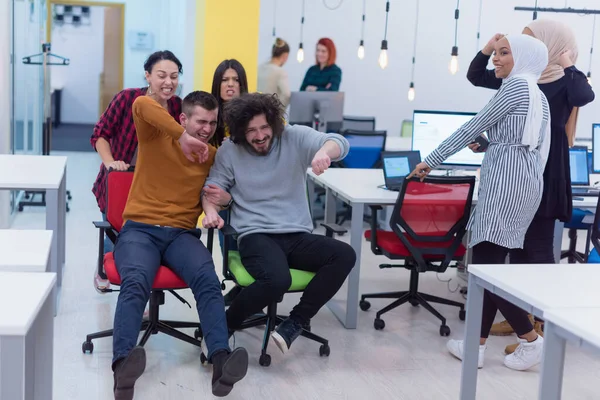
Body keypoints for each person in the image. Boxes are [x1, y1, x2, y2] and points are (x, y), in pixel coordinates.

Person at [408, 34, 551, 371]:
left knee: (485, 270)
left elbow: (473, 125)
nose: (495, 60)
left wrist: (432, 158)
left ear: (526, 58)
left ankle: (531, 340)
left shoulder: (515, 88)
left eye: (504, 54)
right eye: (496, 53)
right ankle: (477, 346)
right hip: (524, 181)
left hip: (506, 183)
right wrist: (491, 145)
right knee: (489, 266)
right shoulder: (537, 93)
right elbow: (523, 141)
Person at [466, 20, 595, 353]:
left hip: (547, 168)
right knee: (510, 252)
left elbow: (585, 94)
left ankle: (547, 329)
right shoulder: (519, 81)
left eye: (531, 41)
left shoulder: (566, 81)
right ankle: (522, 322)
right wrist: (487, 49)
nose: (527, 48)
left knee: (535, 252)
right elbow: (476, 76)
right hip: (518, 169)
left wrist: (569, 63)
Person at [111, 90, 248, 399]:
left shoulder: (212, 157)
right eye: (200, 121)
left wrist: (220, 203)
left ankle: (221, 362)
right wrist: (181, 137)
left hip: (181, 235)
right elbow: (141, 104)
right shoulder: (155, 138)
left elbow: (220, 193)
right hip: (140, 231)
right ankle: (122, 367)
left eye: (213, 123)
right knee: (136, 282)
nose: (207, 129)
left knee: (209, 282)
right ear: (183, 118)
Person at [201, 93, 355, 354]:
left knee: (344, 254)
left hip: (296, 235)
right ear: (240, 131)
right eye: (251, 131)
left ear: (274, 123)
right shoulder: (230, 149)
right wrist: (211, 212)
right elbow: (211, 190)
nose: (259, 135)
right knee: (277, 279)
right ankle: (222, 328)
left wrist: (322, 153)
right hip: (256, 235)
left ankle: (295, 322)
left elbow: (339, 142)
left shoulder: (293, 137)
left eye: (264, 127)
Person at [90, 50, 183, 291]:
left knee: (140, 241)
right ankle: (107, 267)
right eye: (161, 75)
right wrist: (111, 163)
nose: (168, 82)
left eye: (174, 76)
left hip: (154, 187)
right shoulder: (127, 99)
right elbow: (100, 134)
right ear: (148, 76)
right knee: (114, 231)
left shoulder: (177, 107)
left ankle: (137, 285)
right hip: (120, 179)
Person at [205, 59, 249, 306]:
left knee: (248, 249)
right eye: (225, 80)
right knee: (230, 250)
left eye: (235, 80)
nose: (230, 85)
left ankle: (248, 292)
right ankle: (242, 287)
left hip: (248, 192)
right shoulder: (211, 117)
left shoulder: (251, 117)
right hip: (219, 191)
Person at [257, 37, 291, 107]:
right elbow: (287, 94)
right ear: (285, 56)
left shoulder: (259, 68)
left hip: (256, 109)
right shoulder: (280, 72)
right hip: (270, 112)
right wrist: (278, 111)